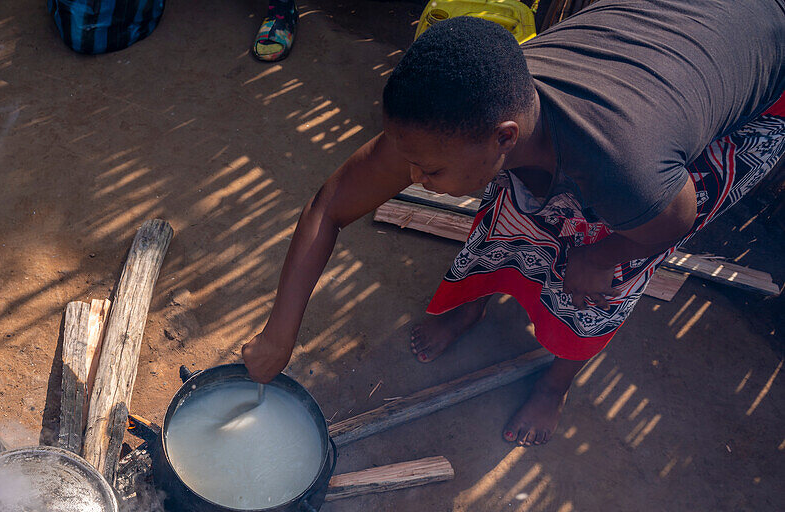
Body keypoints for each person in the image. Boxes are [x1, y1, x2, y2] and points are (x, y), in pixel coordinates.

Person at [241, 0, 785, 445]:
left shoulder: (626, 172)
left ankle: (555, 383)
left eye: (428, 169)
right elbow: (330, 203)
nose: (413, 178)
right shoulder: (466, 106)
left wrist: (604, 256)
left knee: (600, 276)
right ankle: (472, 306)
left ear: (505, 136)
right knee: (510, 208)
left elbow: (675, 218)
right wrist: (279, 336)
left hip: (755, 76)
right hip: (671, 25)